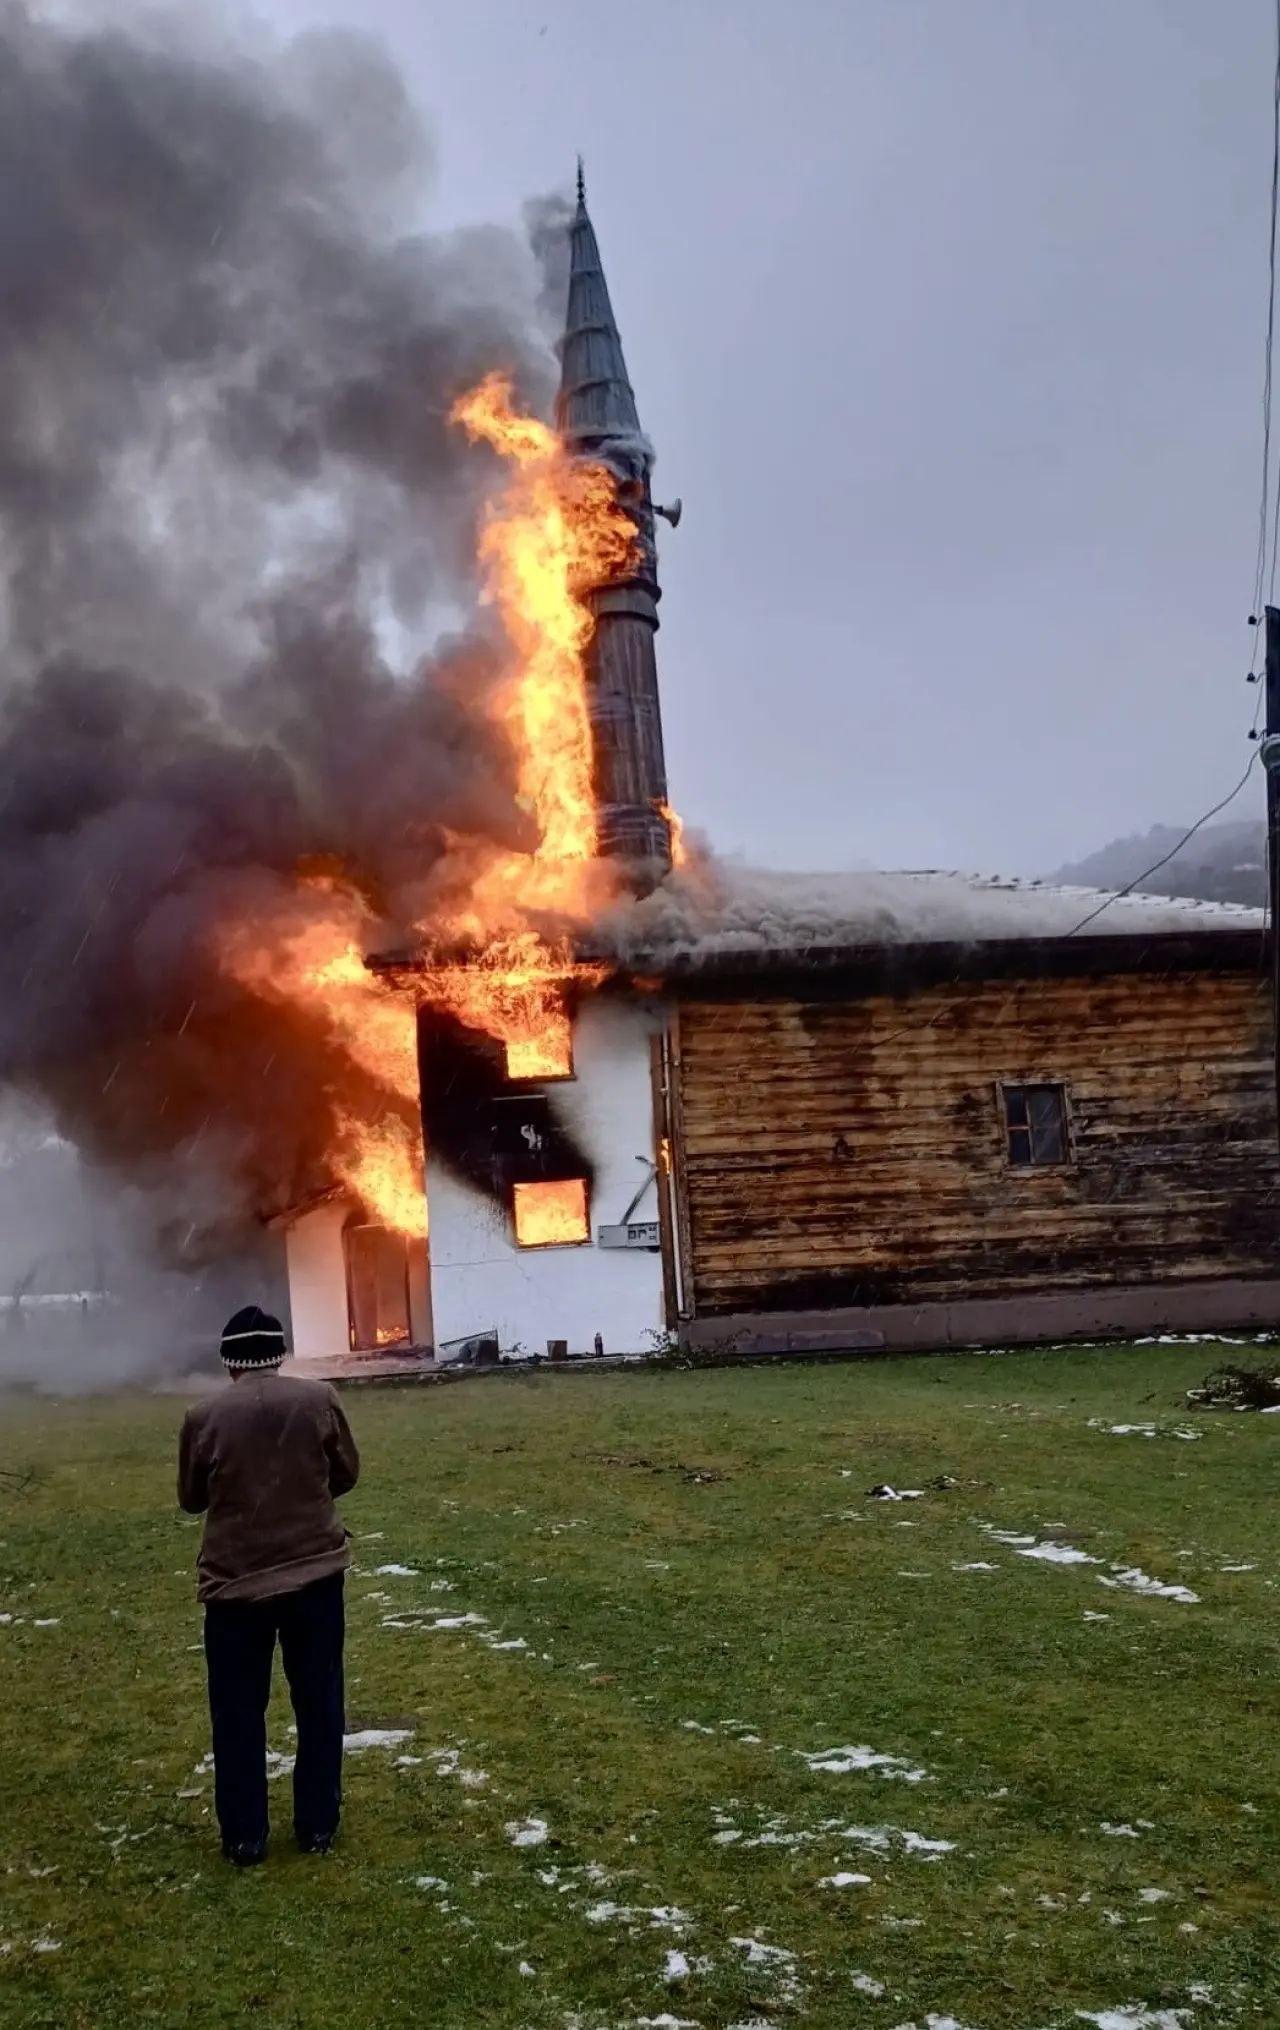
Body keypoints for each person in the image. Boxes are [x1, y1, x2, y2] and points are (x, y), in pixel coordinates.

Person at [177, 1306, 361, 1867]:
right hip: (315, 1576)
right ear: (279, 1354)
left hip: (236, 1587)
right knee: (319, 1702)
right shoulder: (319, 1400)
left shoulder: (203, 1415)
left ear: (229, 1362)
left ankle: (245, 1836)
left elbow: (192, 1498)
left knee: (237, 1711)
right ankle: (317, 1827)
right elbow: (346, 1473)